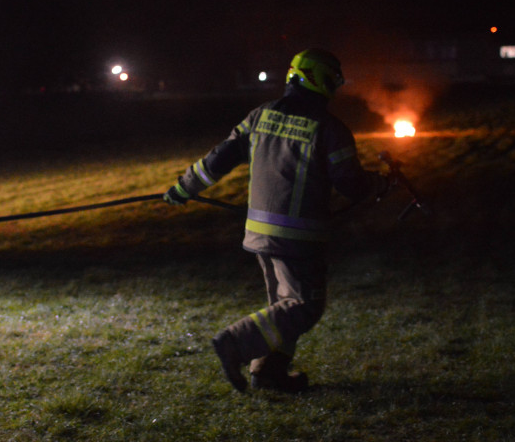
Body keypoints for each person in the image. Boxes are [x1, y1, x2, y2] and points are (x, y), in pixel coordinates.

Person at [163, 49, 392, 393]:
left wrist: (183, 188)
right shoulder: (329, 128)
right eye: (333, 80)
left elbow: (219, 158)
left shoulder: (260, 116)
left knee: (281, 308)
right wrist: (378, 183)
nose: (336, 87)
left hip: (259, 233)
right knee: (304, 307)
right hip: (298, 237)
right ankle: (234, 344)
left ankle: (268, 374)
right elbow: (351, 184)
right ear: (318, 79)